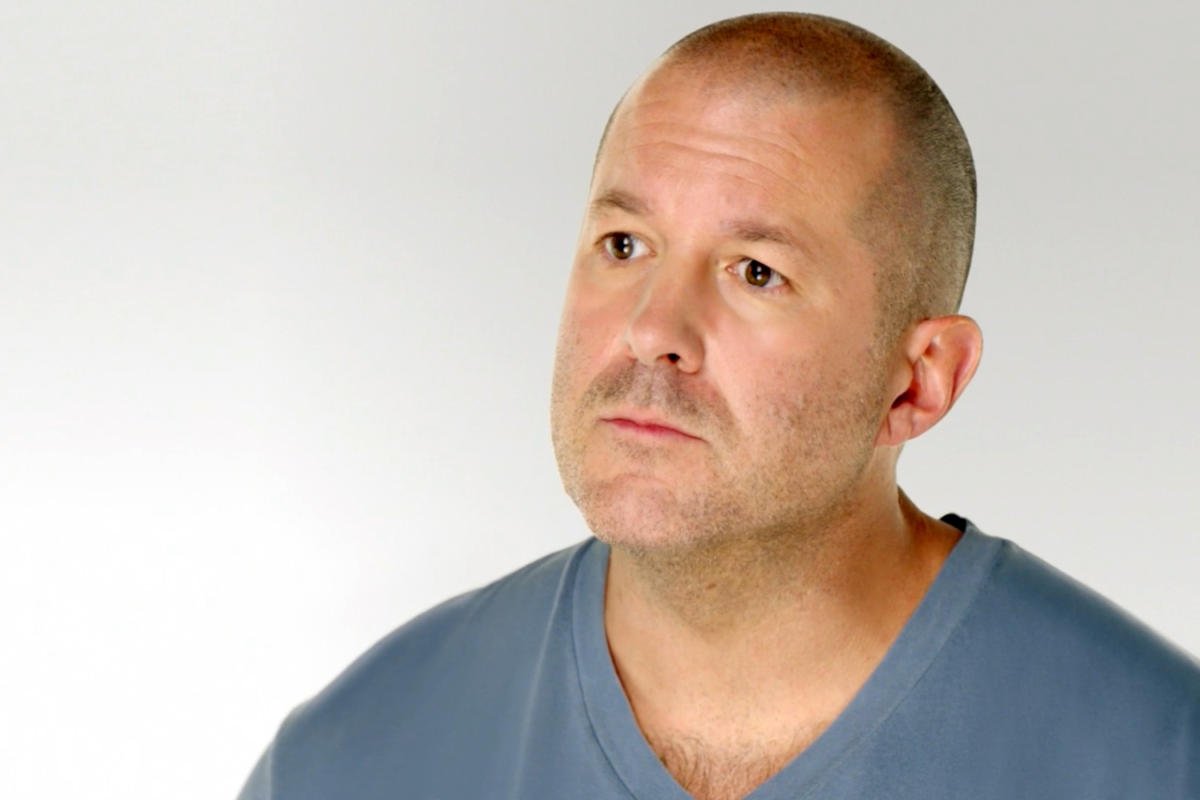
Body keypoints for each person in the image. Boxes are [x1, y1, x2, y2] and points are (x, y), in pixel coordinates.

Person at [238, 13, 1199, 800]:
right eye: (624, 245)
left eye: (755, 271)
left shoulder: (1159, 759)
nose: (652, 329)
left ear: (920, 380)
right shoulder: (351, 760)